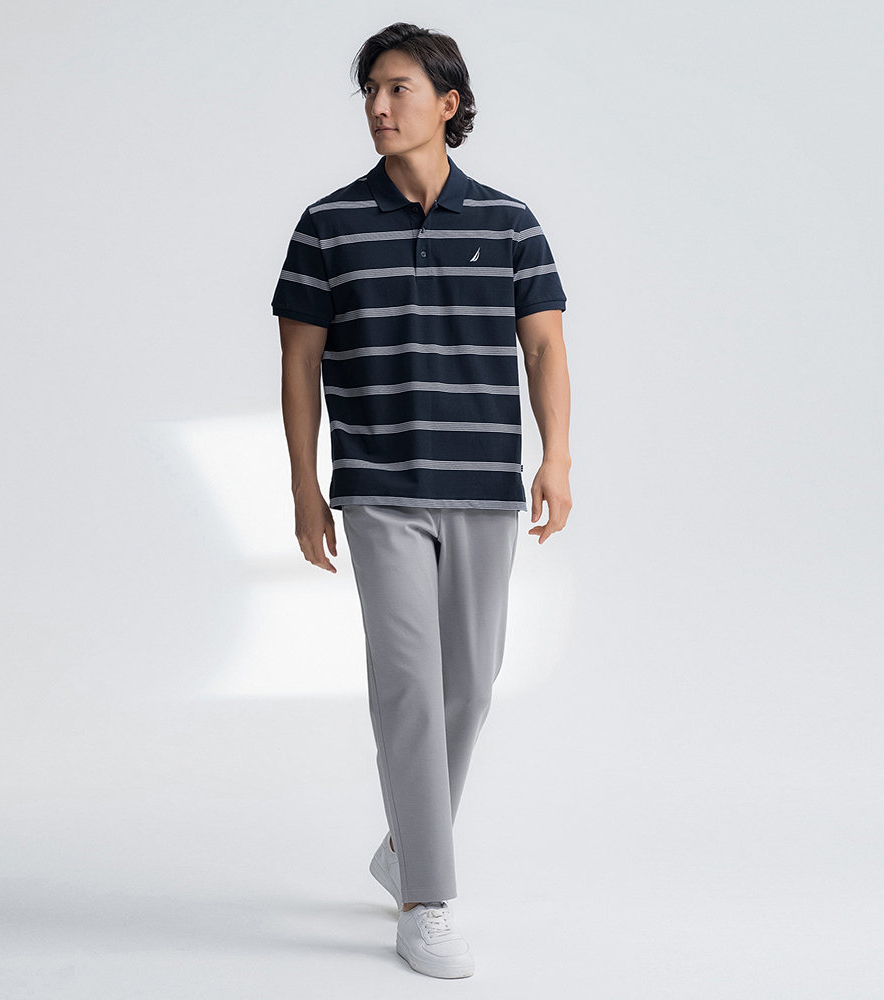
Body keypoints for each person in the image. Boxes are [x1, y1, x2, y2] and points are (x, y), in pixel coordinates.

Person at [271, 21, 572, 979]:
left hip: (484, 485)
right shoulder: (326, 225)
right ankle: (426, 898)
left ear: (448, 103)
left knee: (469, 686)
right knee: (406, 685)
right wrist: (304, 487)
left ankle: (405, 844)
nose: (378, 105)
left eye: (397, 88)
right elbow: (299, 365)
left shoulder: (511, 222)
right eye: (370, 89)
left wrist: (557, 460)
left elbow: (545, 347)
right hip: (380, 487)